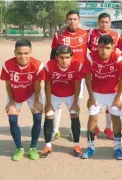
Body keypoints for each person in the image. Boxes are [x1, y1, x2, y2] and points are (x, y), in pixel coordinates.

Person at [80, 35, 122, 160]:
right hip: (96, 93)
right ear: (97, 47)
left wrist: (117, 98)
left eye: (107, 48)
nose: (104, 50)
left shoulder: (118, 58)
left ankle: (117, 148)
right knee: (92, 119)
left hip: (113, 93)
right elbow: (88, 78)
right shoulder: (90, 57)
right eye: (101, 47)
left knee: (116, 118)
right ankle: (90, 147)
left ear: (112, 48)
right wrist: (90, 97)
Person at [0, 39, 44, 161]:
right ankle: (19, 148)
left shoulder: (38, 65)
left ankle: (33, 147)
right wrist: (11, 102)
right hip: (14, 93)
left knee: (38, 117)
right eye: (19, 53)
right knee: (12, 119)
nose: (23, 56)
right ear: (15, 52)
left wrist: (36, 101)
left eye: (26, 53)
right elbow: (8, 85)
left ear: (31, 52)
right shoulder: (7, 65)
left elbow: (37, 85)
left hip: (32, 93)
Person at [87, 13, 122, 140]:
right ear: (98, 22)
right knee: (95, 106)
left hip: (111, 72)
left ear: (110, 23)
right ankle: (95, 129)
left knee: (112, 106)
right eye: (102, 22)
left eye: (106, 22)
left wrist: (121, 64)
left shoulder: (116, 36)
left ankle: (108, 127)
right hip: (96, 69)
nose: (104, 24)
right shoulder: (91, 34)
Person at [50, 10, 88, 141]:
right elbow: (53, 53)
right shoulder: (59, 34)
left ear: (79, 20)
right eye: (70, 19)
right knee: (57, 103)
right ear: (66, 21)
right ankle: (55, 131)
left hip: (78, 75)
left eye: (75, 19)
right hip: (60, 73)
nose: (72, 21)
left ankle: (73, 131)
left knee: (76, 103)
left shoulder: (86, 34)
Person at [40, 45, 84, 158]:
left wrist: (75, 103)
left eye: (67, 57)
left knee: (74, 115)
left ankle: (76, 145)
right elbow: (47, 85)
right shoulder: (49, 66)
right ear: (56, 57)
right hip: (55, 94)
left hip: (71, 94)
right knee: (49, 115)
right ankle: (48, 146)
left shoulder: (77, 65)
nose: (64, 60)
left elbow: (78, 84)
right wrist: (49, 104)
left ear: (71, 57)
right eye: (61, 57)